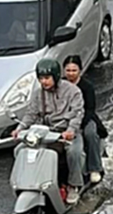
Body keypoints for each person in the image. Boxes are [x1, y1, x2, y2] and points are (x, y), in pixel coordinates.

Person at [13, 59, 86, 204]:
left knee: (75, 152)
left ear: (56, 76)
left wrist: (70, 130)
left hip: (65, 132)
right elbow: (31, 114)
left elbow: (78, 113)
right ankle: (29, 181)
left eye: (47, 78)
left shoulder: (72, 91)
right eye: (41, 78)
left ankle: (73, 185)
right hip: (44, 132)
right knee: (19, 150)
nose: (44, 82)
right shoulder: (38, 93)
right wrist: (19, 129)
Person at [63, 55, 106, 184]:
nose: (71, 73)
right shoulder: (61, 85)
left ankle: (95, 168)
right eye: (68, 70)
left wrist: (78, 124)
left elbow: (90, 109)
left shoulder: (87, 87)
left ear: (80, 71)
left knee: (91, 134)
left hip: (86, 118)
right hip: (65, 119)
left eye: (74, 70)